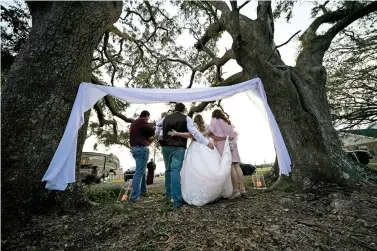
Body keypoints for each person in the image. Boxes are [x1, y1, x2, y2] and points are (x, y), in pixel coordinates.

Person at [168, 114, 233, 206]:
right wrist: (224, 138)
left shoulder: (192, 126)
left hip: (195, 147)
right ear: (202, 119)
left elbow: (190, 135)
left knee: (195, 169)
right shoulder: (206, 126)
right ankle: (211, 189)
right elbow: (214, 137)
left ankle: (197, 190)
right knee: (209, 167)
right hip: (207, 147)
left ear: (194, 120)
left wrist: (177, 133)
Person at [161, 103, 214, 208]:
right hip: (178, 147)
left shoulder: (165, 119)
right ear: (183, 110)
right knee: (175, 171)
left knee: (168, 170)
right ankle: (176, 200)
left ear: (174, 109)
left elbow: (159, 131)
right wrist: (207, 143)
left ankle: (168, 195)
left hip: (165, 147)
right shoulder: (186, 118)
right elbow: (194, 132)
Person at [210, 109, 246, 198]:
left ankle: (236, 190)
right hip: (233, 144)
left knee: (230, 166)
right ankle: (243, 189)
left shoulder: (214, 121)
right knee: (237, 166)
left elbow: (212, 134)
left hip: (223, 145)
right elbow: (234, 134)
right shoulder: (227, 122)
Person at [129, 110, 155, 202]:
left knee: (142, 171)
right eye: (148, 118)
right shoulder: (143, 122)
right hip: (141, 149)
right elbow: (151, 131)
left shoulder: (134, 124)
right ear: (146, 116)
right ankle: (135, 197)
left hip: (134, 149)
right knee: (139, 172)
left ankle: (143, 192)